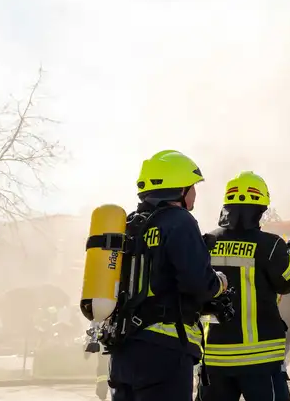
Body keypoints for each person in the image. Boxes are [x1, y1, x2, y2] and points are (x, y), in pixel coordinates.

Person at [108, 150, 230, 401]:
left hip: (124, 350)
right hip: (165, 353)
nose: (195, 193)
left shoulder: (131, 224)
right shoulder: (179, 220)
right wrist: (219, 283)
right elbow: (197, 283)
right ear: (180, 190)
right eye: (193, 186)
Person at [198, 171, 290, 401]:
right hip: (261, 360)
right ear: (260, 209)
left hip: (215, 356)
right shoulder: (271, 245)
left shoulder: (205, 241)